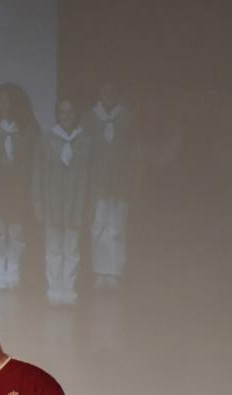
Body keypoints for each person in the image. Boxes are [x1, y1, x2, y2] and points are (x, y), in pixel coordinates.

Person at [0, 83, 38, 291]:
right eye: (0, 102)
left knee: (16, 234)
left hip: (19, 192)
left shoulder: (29, 132)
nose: (4, 106)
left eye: (8, 102)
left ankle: (14, 272)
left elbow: (34, 165)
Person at [32, 99, 89, 306]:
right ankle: (54, 289)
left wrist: (87, 204)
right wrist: (38, 203)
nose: (66, 116)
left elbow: (90, 175)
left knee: (72, 249)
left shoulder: (85, 141)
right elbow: (38, 174)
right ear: (57, 114)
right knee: (53, 249)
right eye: (62, 112)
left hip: (75, 202)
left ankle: (69, 289)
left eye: (70, 111)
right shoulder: (47, 140)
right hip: (52, 203)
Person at [83, 83, 134, 290]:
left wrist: (127, 181)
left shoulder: (127, 117)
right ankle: (100, 272)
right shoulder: (89, 118)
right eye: (105, 90)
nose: (109, 94)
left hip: (121, 185)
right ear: (100, 92)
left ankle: (115, 273)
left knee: (117, 230)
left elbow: (132, 152)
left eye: (112, 90)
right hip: (98, 185)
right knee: (99, 229)